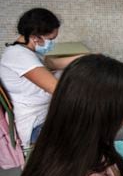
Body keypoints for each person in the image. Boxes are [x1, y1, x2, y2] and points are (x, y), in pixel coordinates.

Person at [0, 8, 82, 148]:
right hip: (36, 125)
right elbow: (59, 91)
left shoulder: (25, 51)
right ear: (35, 37)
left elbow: (52, 63)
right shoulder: (19, 56)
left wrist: (86, 58)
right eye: (50, 39)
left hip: (44, 114)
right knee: (88, 128)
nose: (52, 43)